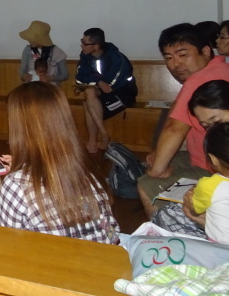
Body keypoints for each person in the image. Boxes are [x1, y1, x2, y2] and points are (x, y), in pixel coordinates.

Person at [0, 82, 119, 243]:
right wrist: (27, 167)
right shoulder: (85, 173)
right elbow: (111, 232)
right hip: (103, 262)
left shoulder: (17, 185)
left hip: (53, 267)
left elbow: (4, 241)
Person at [139, 24, 229, 217]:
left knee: (146, 183)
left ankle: (164, 236)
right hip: (203, 159)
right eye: (168, 58)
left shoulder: (199, 80)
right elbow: (175, 116)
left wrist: (156, 171)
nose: (175, 64)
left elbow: (175, 128)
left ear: (205, 51)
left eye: (183, 55)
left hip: (212, 169)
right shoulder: (221, 68)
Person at [74, 28, 137, 154]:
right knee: (89, 93)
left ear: (96, 46)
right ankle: (101, 135)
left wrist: (93, 81)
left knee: (88, 103)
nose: (81, 45)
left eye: (85, 43)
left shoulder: (116, 58)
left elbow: (109, 86)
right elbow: (80, 78)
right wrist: (97, 82)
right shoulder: (85, 56)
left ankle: (96, 139)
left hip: (122, 94)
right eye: (82, 41)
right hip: (102, 92)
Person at [183, 121, 229, 244]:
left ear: (213, 159)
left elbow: (195, 209)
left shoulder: (210, 185)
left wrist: (191, 201)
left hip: (221, 245)